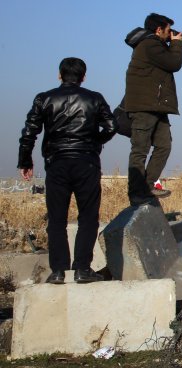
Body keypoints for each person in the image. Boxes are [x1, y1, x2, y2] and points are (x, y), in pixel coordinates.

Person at [17, 58, 115, 284]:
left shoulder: (45, 98)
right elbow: (112, 126)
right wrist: (94, 142)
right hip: (86, 162)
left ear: (59, 75)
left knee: (57, 219)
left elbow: (30, 131)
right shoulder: (94, 98)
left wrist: (25, 161)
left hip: (57, 163)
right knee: (88, 217)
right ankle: (82, 269)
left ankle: (58, 271)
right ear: (84, 77)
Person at [124, 13, 182, 207]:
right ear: (159, 30)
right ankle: (136, 192)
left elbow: (168, 62)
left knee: (164, 145)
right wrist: (176, 44)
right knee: (140, 150)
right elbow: (174, 64)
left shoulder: (155, 46)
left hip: (156, 107)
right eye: (168, 31)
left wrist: (174, 43)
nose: (170, 35)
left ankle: (147, 186)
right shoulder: (149, 45)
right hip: (144, 108)